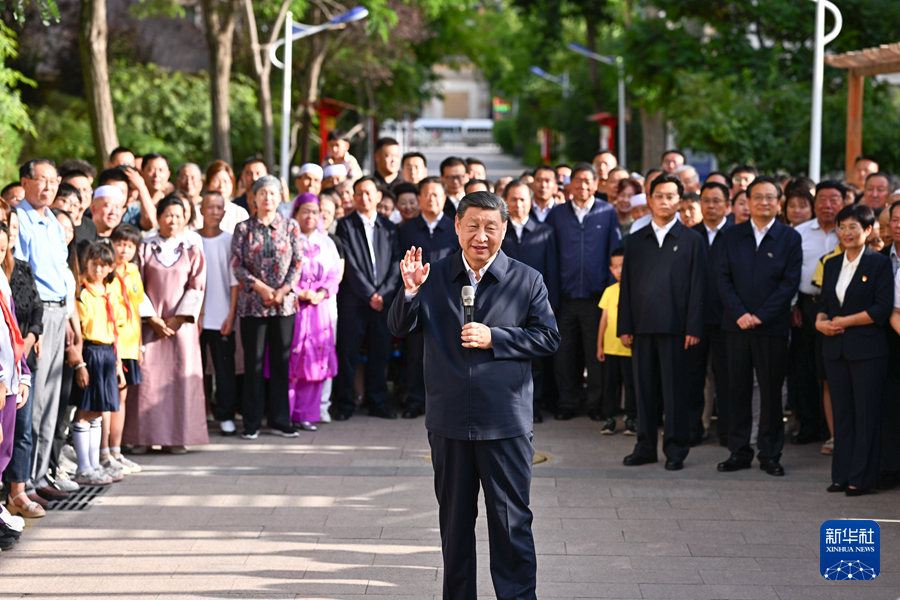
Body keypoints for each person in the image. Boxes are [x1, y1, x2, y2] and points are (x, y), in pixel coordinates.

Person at [388, 191, 560, 600]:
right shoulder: (434, 276)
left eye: (491, 228)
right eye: (473, 226)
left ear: (504, 230)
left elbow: (549, 336)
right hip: (449, 423)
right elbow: (398, 326)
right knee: (455, 528)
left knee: (511, 526)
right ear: (457, 227)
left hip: (504, 423)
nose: (481, 236)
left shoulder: (526, 279)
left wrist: (494, 337)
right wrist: (409, 290)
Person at [618, 174, 706, 471]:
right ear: (650, 199)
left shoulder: (693, 240)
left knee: (674, 392)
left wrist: (694, 327)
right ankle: (644, 447)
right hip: (642, 326)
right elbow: (626, 285)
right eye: (659, 196)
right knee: (644, 392)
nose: (665, 201)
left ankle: (676, 449)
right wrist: (625, 325)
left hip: (677, 329)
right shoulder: (635, 240)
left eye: (671, 196)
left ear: (679, 202)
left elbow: (698, 287)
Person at [717, 176, 802, 477]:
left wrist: (762, 316)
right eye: (758, 197)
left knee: (770, 392)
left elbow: (789, 283)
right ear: (747, 201)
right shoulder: (731, 235)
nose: (764, 202)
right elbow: (722, 278)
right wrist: (740, 313)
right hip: (736, 325)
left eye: (770, 197)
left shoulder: (790, 238)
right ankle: (739, 451)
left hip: (772, 327)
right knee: (736, 390)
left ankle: (770, 454)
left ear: (778, 203)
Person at [816, 203, 893, 495]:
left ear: (868, 230)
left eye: (853, 227)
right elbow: (824, 305)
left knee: (866, 414)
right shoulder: (831, 263)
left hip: (867, 351)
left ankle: (862, 479)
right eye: (842, 227)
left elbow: (882, 308)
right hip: (834, 349)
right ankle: (841, 475)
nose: (846, 232)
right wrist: (821, 323)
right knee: (843, 414)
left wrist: (846, 321)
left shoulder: (878, 263)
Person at [124, 195, 207, 453]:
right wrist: (152, 318)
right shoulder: (144, 247)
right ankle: (142, 437)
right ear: (158, 216)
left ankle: (176, 437)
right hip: (149, 324)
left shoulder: (192, 249)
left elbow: (197, 286)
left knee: (179, 378)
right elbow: (134, 283)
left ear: (186, 219)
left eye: (179, 215)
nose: (173, 220)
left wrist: (178, 318)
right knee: (147, 379)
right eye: (168, 215)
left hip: (180, 326)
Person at [13, 159, 72, 504]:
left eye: (54, 181)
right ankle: (25, 482)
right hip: (38, 315)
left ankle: (41, 473)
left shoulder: (51, 219)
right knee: (34, 403)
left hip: (60, 309)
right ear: (25, 181)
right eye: (42, 180)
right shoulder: (19, 219)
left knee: (51, 399)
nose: (49, 187)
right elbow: (22, 278)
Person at [546, 163, 620, 421]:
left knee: (595, 353)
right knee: (564, 354)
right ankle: (567, 401)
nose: (583, 186)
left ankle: (595, 404)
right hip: (564, 299)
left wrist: (610, 294)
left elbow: (614, 253)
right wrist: (551, 297)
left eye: (588, 181)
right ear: (570, 184)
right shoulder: (556, 214)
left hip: (596, 299)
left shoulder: (607, 211)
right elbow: (550, 256)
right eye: (578, 180)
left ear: (596, 184)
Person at [232, 176, 302, 439]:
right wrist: (261, 288)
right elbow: (237, 264)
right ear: (254, 197)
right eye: (262, 193)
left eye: (272, 193)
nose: (267, 198)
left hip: (284, 306)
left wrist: (282, 291)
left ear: (279, 197)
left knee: (281, 363)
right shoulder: (243, 228)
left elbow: (297, 262)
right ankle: (252, 423)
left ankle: (280, 420)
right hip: (253, 304)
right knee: (254, 364)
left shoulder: (290, 226)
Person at [332, 177, 401, 421]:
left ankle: (378, 402)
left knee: (379, 353)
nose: (364, 197)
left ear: (379, 196)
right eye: (359, 193)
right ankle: (345, 403)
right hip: (354, 301)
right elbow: (348, 264)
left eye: (368, 193)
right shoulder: (345, 225)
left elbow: (396, 264)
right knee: (348, 353)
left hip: (383, 302)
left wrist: (383, 294)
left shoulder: (390, 228)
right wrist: (369, 294)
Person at [397, 177, 459, 420]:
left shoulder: (455, 227)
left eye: (437, 195)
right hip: (416, 299)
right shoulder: (407, 229)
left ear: (444, 199)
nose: (432, 199)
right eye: (427, 194)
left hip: (447, 300)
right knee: (415, 354)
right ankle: (415, 400)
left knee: (447, 352)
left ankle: (446, 402)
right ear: (419, 199)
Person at [500, 179, 559, 423]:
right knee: (506, 355)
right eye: (513, 199)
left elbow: (552, 269)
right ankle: (506, 406)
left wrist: (552, 302)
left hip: (536, 303)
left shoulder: (545, 232)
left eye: (523, 199)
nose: (518, 204)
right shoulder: (499, 230)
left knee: (535, 359)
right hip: (503, 305)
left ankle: (533, 407)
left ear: (531, 202)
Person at [791, 182, 842, 446]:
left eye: (833, 200)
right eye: (822, 200)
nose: (827, 205)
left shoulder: (848, 232)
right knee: (804, 367)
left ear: (843, 202)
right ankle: (808, 426)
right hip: (805, 305)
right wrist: (793, 306)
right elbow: (789, 273)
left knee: (828, 369)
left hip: (837, 309)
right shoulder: (798, 233)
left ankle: (830, 430)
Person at [72, 243, 125, 486]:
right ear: (86, 263)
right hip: (90, 351)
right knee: (85, 410)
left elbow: (115, 329)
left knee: (97, 412)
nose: (99, 269)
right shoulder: (82, 292)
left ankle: (94, 465)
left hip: (107, 352)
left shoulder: (109, 291)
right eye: (94, 264)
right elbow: (80, 330)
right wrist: (80, 362)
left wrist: (117, 363)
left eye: (104, 265)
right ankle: (84, 467)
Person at [288, 196, 340, 430]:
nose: (310, 217)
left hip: (320, 309)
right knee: (293, 358)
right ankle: (286, 413)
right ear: (296, 213)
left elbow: (334, 274)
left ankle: (306, 414)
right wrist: (299, 291)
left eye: (314, 212)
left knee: (315, 360)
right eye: (305, 211)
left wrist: (320, 292)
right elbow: (282, 272)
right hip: (295, 307)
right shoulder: (288, 239)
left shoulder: (327, 242)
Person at [688, 181, 733, 446]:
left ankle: (727, 431)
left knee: (727, 377)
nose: (711, 205)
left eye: (717, 201)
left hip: (728, 319)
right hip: (695, 319)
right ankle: (694, 429)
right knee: (694, 377)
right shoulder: (689, 235)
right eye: (706, 200)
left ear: (727, 205)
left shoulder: (738, 235)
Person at [0, 222, 39, 518]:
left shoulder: (3, 278)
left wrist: (23, 373)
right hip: (1, 381)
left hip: (12, 380)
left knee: (6, 448)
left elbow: (15, 330)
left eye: (2, 249)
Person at [197, 192, 239, 436]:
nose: (214, 211)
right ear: (200, 210)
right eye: (209, 207)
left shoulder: (230, 240)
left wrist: (231, 315)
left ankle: (226, 415)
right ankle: (198, 415)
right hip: (195, 318)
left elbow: (234, 282)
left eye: (219, 207)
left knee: (225, 370)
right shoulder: (191, 239)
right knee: (196, 369)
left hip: (222, 315)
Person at [106, 224, 143, 476]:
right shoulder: (105, 272)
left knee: (122, 397)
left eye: (129, 246)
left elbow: (137, 308)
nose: (124, 249)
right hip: (111, 344)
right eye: (120, 243)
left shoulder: (133, 272)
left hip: (130, 344)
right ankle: (104, 452)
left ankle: (117, 450)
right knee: (109, 399)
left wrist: (139, 344)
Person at [597, 247, 636, 435]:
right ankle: (609, 419)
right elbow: (603, 320)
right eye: (616, 267)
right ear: (611, 269)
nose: (620, 270)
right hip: (610, 348)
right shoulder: (609, 291)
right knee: (610, 386)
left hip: (628, 349)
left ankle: (631, 419)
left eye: (623, 266)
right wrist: (599, 345)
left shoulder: (635, 289)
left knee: (631, 386)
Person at [881, 200, 900, 490]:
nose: (898, 226)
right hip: (887, 347)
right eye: (895, 220)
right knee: (890, 409)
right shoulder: (880, 258)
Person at [205, 161, 250, 233]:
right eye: (217, 181)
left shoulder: (240, 213)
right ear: (208, 183)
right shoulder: (197, 211)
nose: (221, 185)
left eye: (225, 181)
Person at [139, 153, 172, 230]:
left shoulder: (172, 204)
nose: (156, 174)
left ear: (168, 174)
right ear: (141, 172)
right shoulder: (132, 202)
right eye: (151, 169)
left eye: (161, 170)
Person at [175, 163, 204, 229]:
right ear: (177, 182)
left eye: (193, 178)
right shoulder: (170, 206)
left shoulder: (207, 207)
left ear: (201, 184)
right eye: (184, 178)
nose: (189, 182)